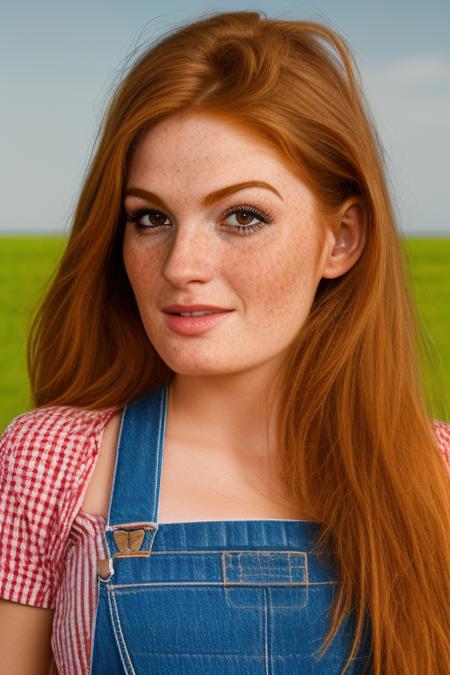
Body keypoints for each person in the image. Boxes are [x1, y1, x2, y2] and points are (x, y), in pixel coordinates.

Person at [1, 9, 449, 675]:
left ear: (342, 238)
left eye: (243, 216)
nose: (182, 265)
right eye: (150, 217)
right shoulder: (47, 464)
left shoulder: (436, 474)